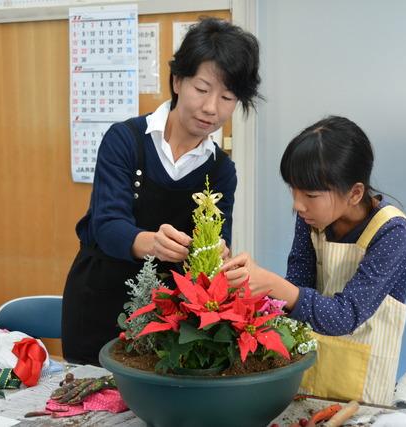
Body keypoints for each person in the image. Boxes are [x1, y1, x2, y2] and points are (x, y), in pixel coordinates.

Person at [62, 17, 261, 365]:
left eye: (228, 97)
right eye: (202, 89)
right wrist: (152, 243)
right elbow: (106, 225)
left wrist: (219, 255)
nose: (212, 107)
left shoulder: (221, 171)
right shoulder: (125, 140)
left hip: (167, 322)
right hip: (99, 305)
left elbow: (213, 248)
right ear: (177, 80)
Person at [222, 116, 406, 405]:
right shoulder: (312, 219)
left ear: (355, 193)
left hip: (363, 389)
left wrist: (272, 284)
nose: (297, 204)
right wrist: (246, 282)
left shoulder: (392, 232)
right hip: (310, 368)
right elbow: (297, 289)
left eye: (310, 194)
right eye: (293, 190)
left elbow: (344, 316)